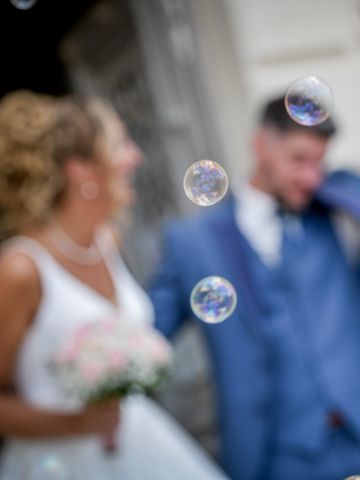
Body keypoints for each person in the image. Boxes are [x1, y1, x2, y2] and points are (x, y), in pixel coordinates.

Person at [149, 0, 360, 479]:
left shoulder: (347, 206)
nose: (313, 177)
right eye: (299, 160)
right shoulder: (194, 244)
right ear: (260, 146)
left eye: (320, 161)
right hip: (282, 459)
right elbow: (144, 334)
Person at [0, 91, 228, 479]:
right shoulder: (21, 269)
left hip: (137, 443)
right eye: (119, 143)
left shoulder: (107, 241)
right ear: (81, 169)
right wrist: (79, 425)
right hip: (58, 466)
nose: (135, 156)